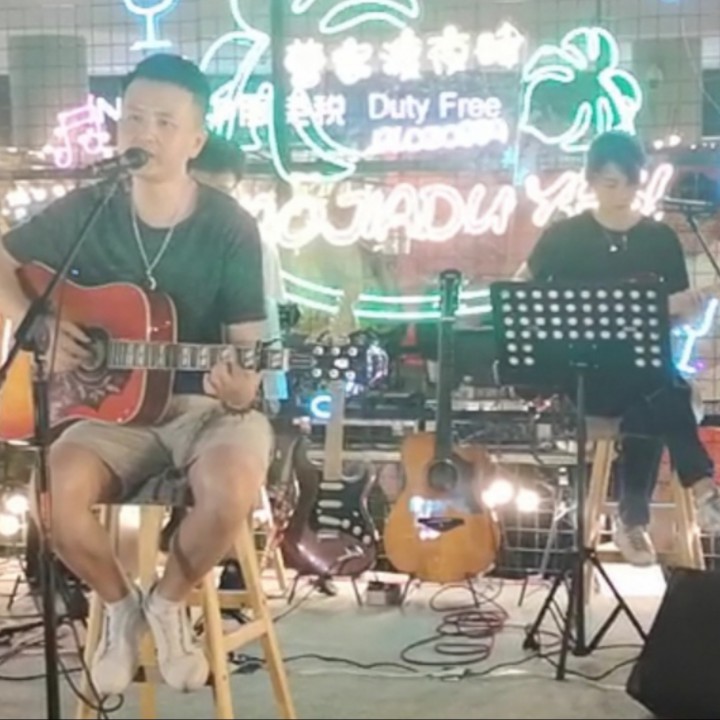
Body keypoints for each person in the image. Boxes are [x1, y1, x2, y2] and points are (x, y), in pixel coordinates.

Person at [0, 54, 273, 696]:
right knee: (52, 500)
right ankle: (121, 606)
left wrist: (243, 387)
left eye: (165, 122)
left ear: (195, 140)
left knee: (231, 490)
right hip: (109, 412)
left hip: (206, 410)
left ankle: (169, 604)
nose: (145, 132)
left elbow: (248, 350)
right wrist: (37, 326)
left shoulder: (229, 226)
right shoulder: (89, 209)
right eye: (134, 118)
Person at [516, 130, 720, 567]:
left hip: (644, 374)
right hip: (584, 376)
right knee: (665, 395)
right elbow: (520, 292)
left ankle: (640, 519)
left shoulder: (659, 239)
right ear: (591, 180)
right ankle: (685, 497)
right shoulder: (564, 236)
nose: (621, 193)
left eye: (629, 183)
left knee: (655, 395)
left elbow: (675, 317)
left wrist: (684, 309)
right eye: (610, 183)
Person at [189, 133, 289, 409]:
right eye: (201, 189)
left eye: (222, 192)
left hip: (220, 397)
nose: (212, 204)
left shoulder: (256, 247)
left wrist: (272, 397)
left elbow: (268, 329)